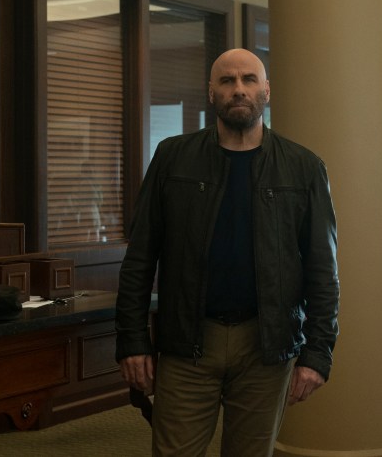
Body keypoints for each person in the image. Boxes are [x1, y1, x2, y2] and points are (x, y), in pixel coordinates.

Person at [115, 48, 339, 457]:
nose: (239, 89)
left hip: (266, 346)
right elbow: (140, 259)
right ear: (211, 92)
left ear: (266, 90)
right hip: (187, 340)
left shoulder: (304, 167)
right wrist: (132, 340)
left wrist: (317, 354)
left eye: (249, 79)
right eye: (227, 80)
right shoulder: (172, 157)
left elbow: (323, 271)